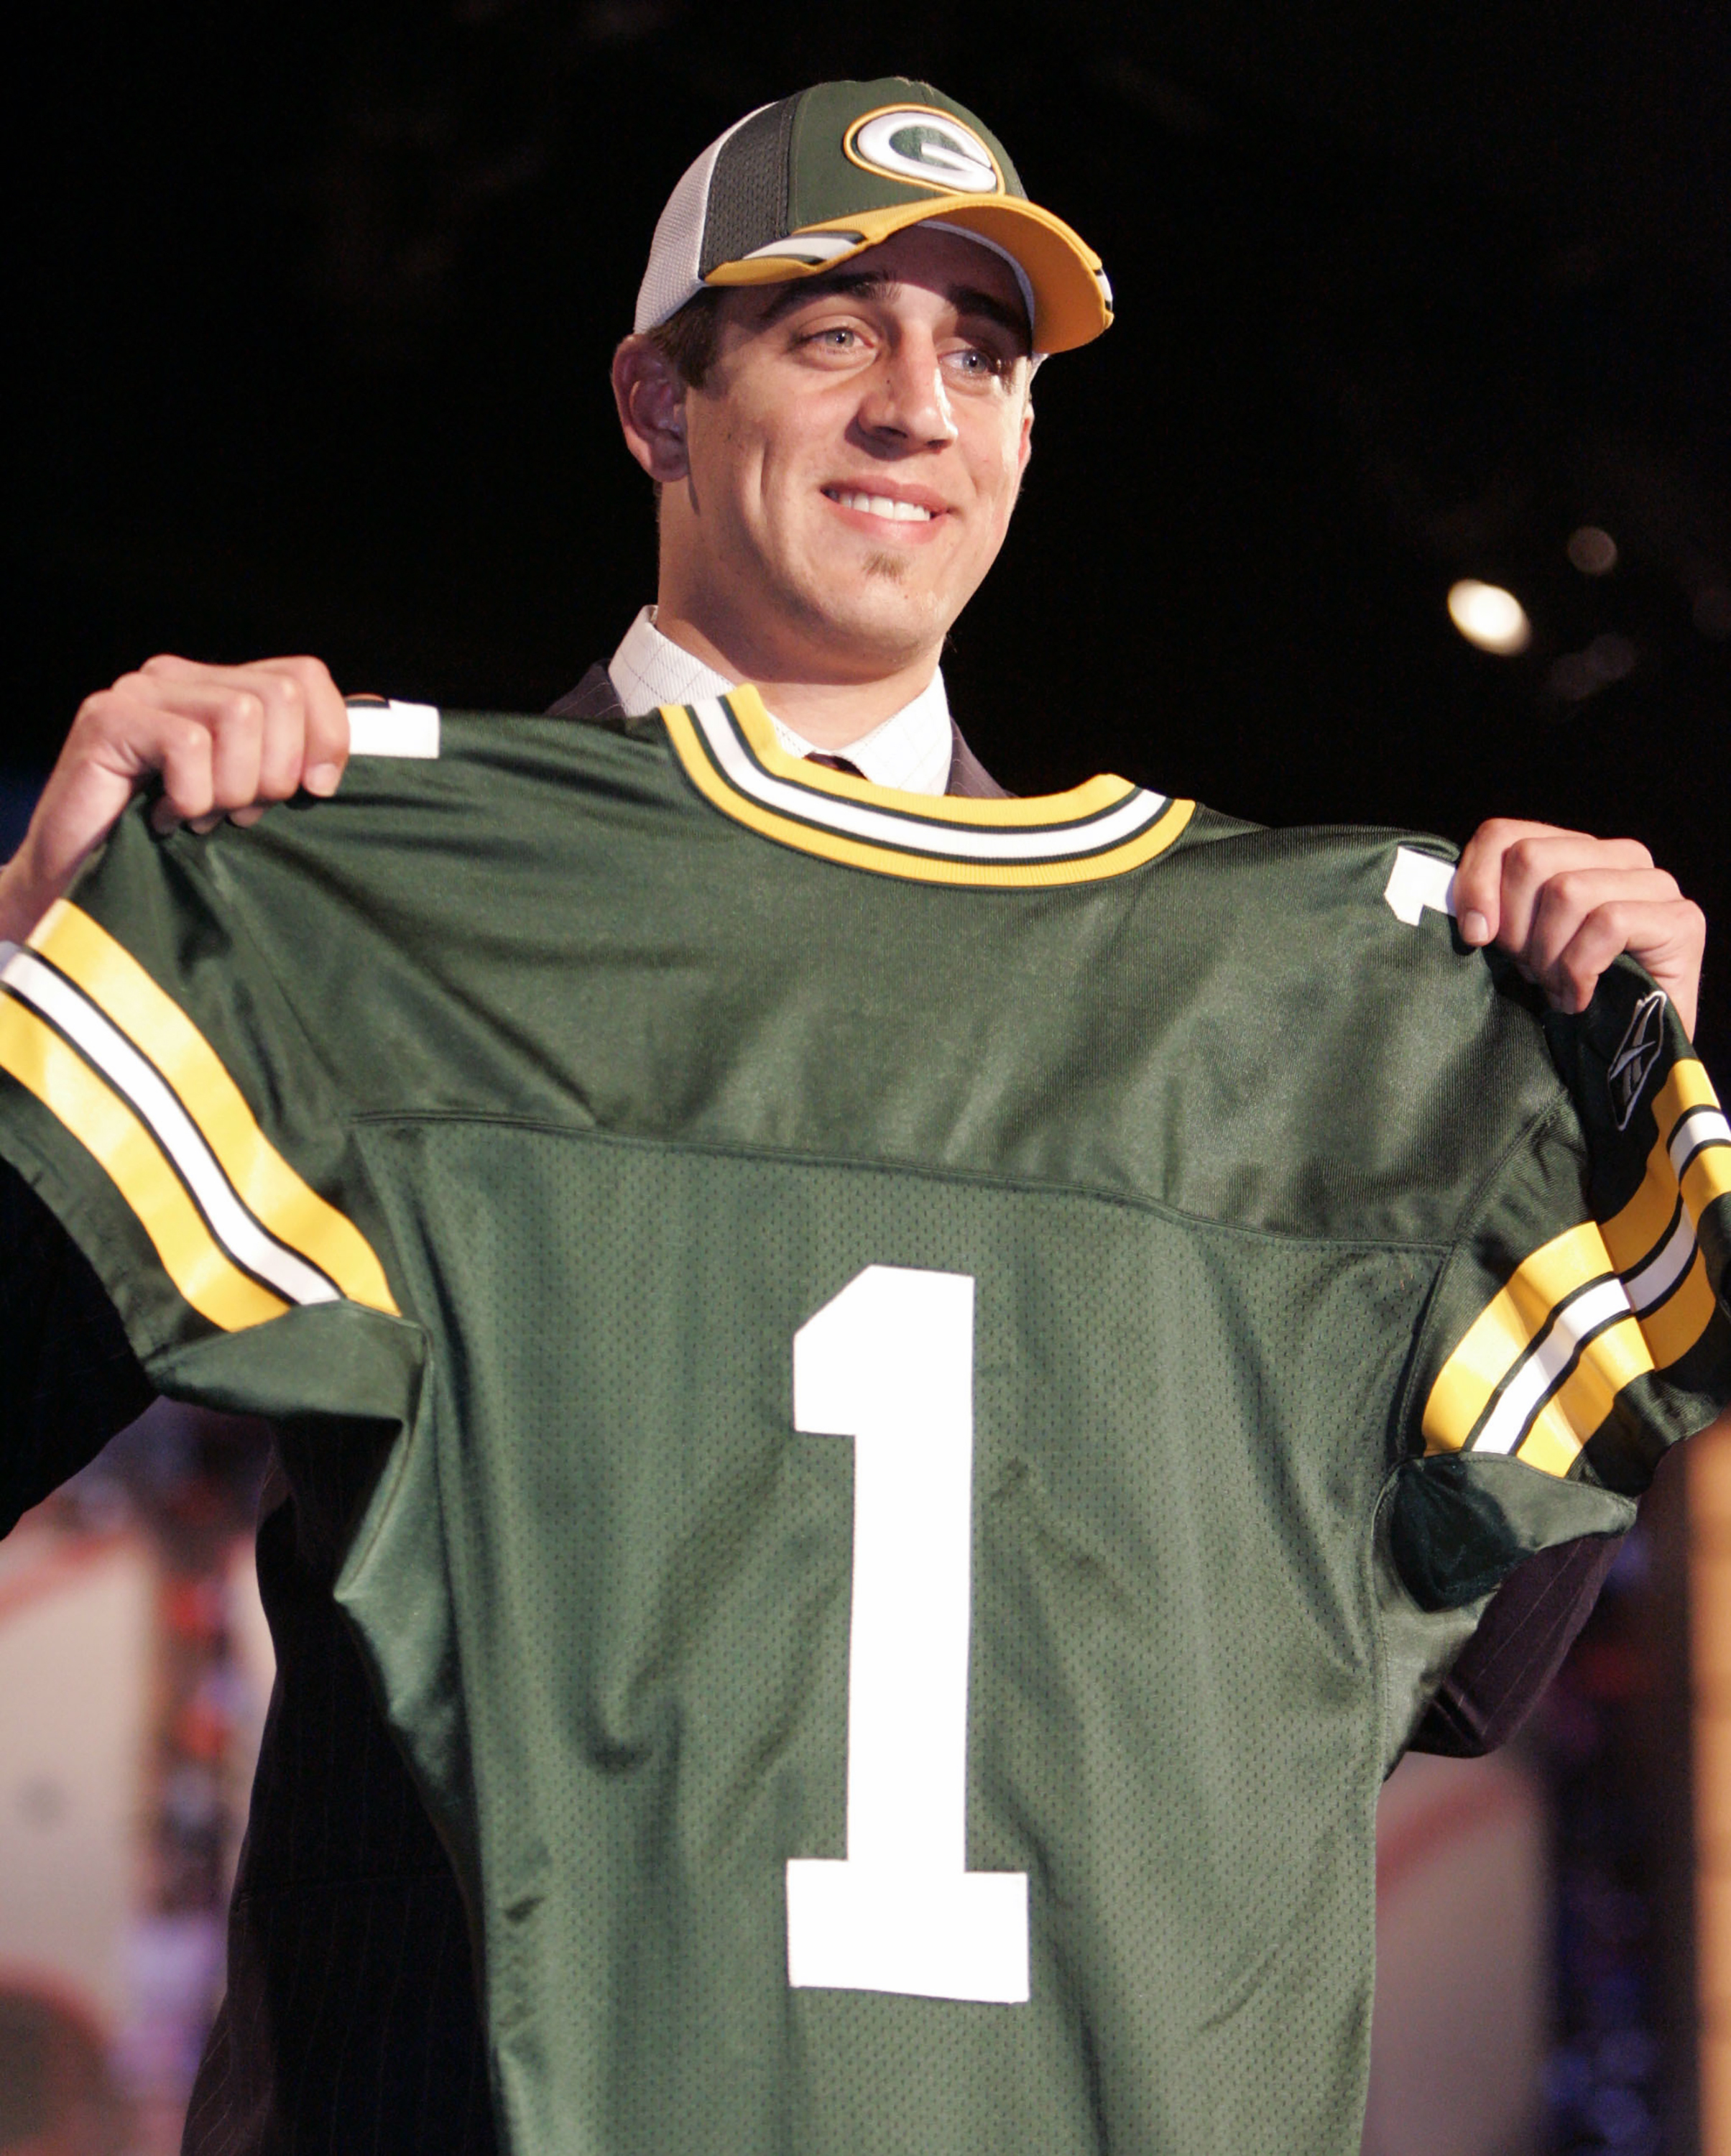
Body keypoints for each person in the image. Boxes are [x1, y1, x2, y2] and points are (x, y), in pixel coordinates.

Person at [0, 78, 1722, 2155]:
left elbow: (1455, 1667)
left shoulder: (1258, 1015)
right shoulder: (376, 886)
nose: (918, 405)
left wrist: (1592, 1084)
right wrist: (35, 946)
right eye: (834, 331)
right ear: (657, 403)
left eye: (980, 356)